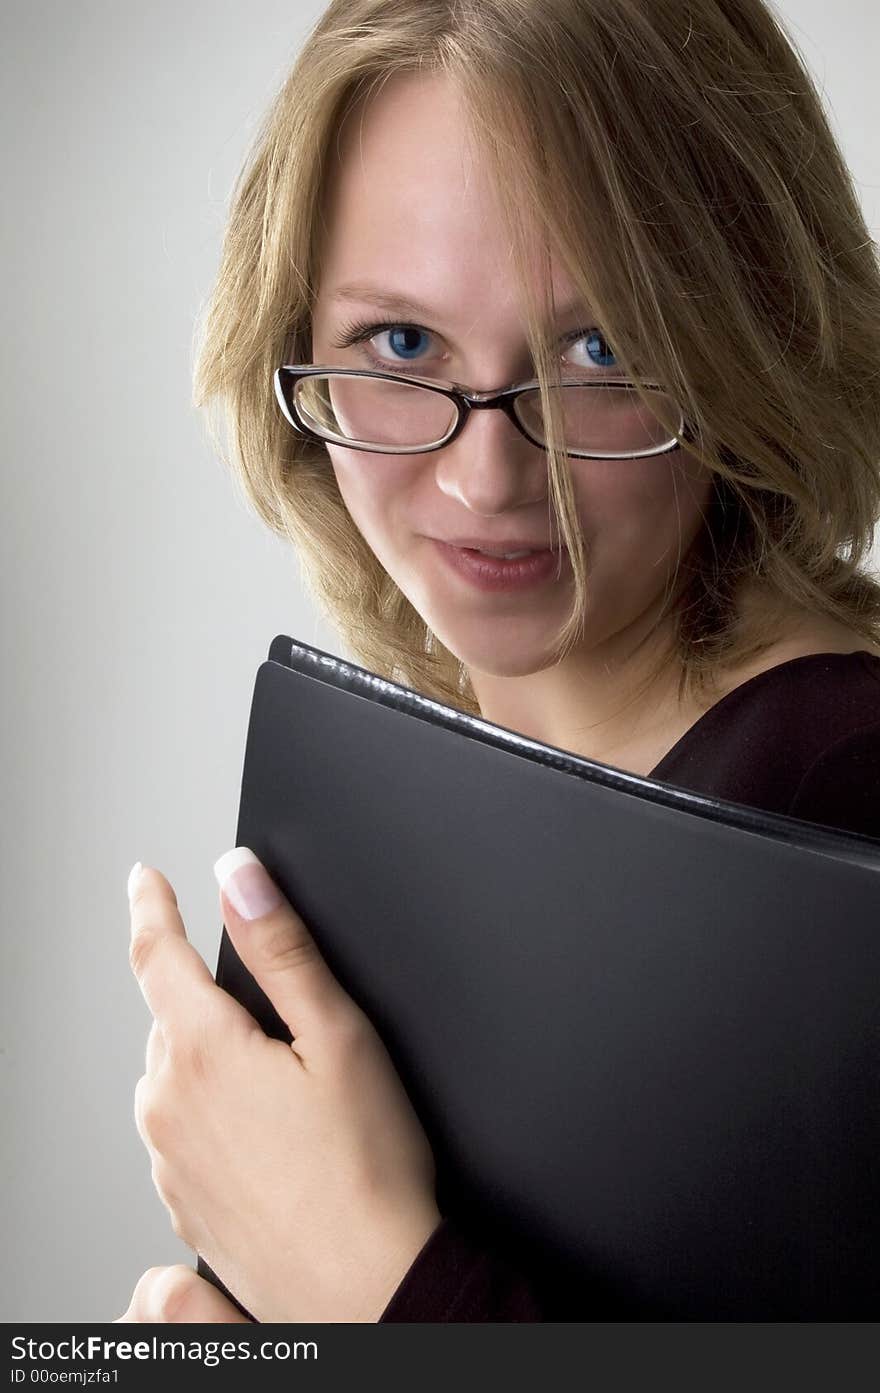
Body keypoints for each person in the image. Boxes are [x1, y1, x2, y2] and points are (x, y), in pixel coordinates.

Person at [117, 0, 880, 1322]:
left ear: (751, 340)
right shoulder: (407, 798)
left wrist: (359, 1274)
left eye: (601, 350)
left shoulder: (842, 793)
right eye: (402, 344)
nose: (488, 478)